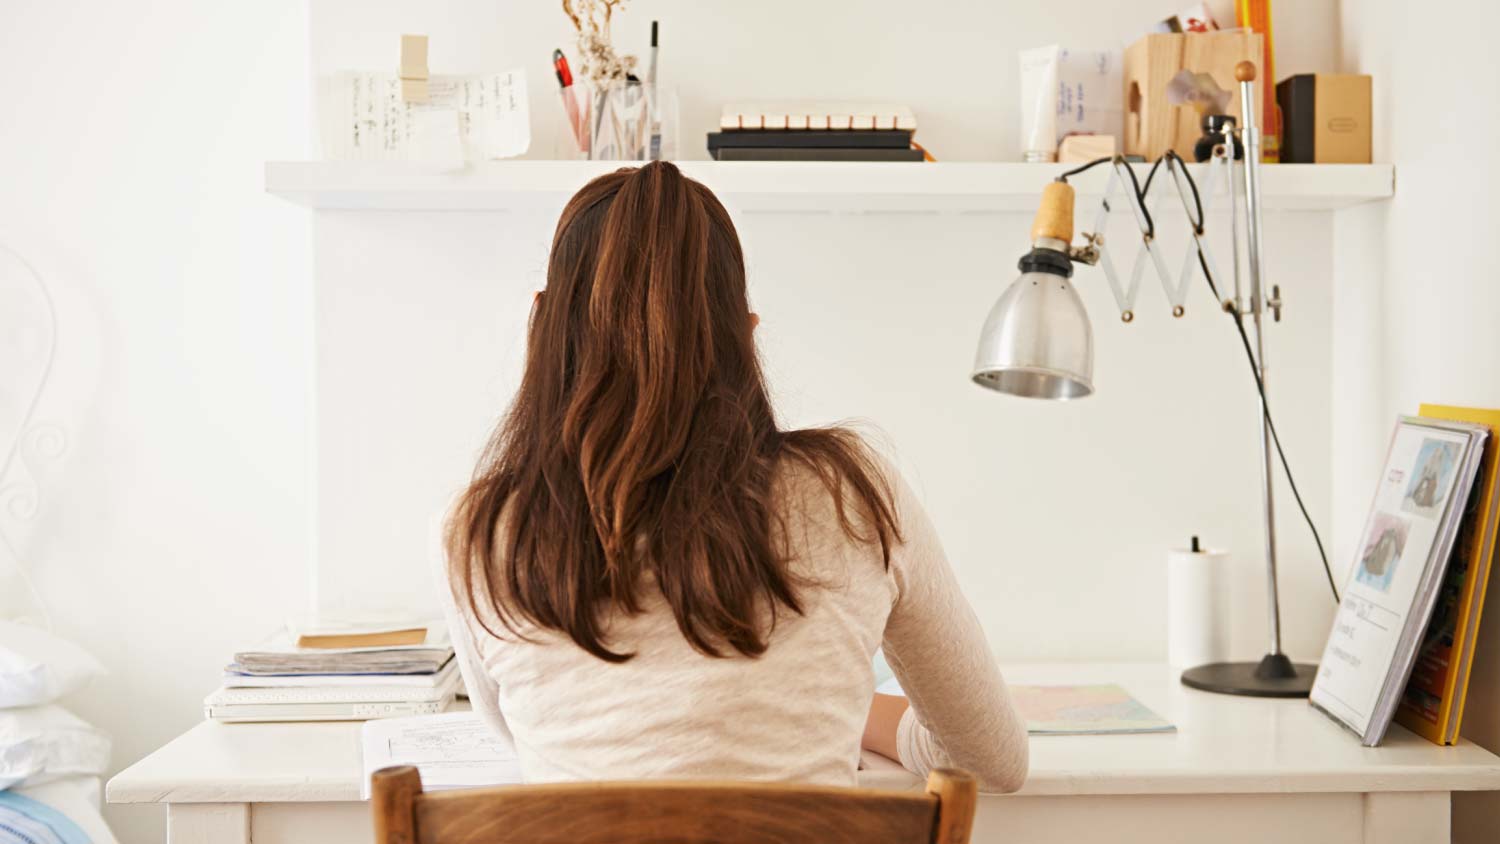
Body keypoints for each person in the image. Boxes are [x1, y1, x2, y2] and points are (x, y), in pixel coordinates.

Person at [439, 161, 1026, 792]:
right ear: (745, 334)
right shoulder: (854, 496)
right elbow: (993, 761)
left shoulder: (481, 531)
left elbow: (526, 734)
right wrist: (828, 711)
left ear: (542, 323)